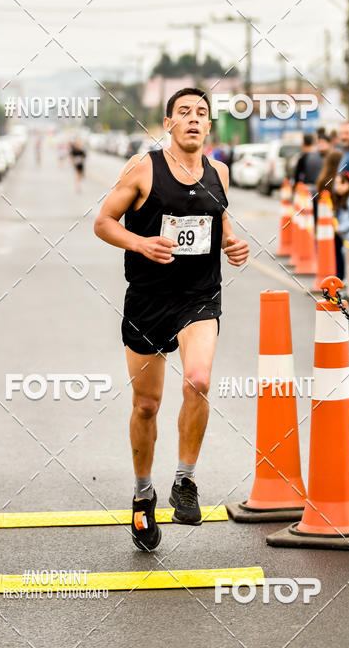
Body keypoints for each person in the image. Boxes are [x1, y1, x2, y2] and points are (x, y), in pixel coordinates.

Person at [94, 87, 249, 551]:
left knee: (198, 380)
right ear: (168, 124)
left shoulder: (219, 172)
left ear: (209, 125)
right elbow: (104, 222)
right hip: (148, 299)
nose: (194, 118)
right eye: (184, 112)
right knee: (147, 404)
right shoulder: (143, 168)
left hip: (198, 298)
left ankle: (185, 480)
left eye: (201, 112)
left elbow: (219, 221)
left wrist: (232, 243)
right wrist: (140, 243)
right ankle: (143, 495)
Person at [332, 171, 349, 283]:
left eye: (342, 183)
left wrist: (340, 228)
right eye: (336, 183)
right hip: (344, 238)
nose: (338, 186)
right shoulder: (340, 199)